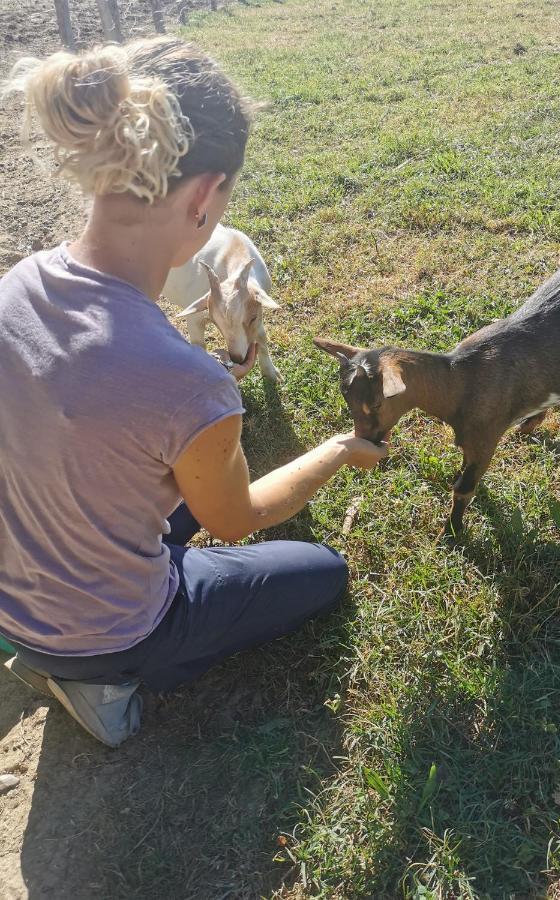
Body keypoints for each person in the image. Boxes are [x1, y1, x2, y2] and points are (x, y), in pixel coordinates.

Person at [0, 38, 387, 747]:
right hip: (109, 632)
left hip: (13, 605)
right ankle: (106, 684)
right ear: (206, 195)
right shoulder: (188, 383)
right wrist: (334, 450)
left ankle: (64, 650)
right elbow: (237, 519)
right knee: (321, 572)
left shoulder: (14, 287)